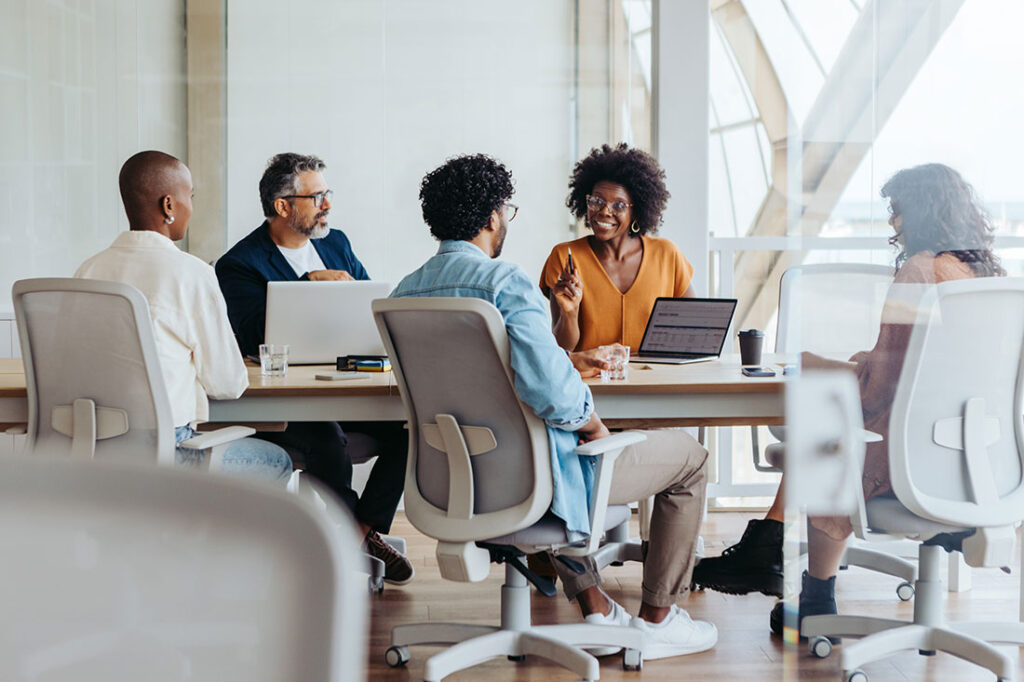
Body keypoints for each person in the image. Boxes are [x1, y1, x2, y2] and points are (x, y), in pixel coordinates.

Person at [392, 153, 716, 660]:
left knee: (573, 444)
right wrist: (595, 424)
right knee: (690, 459)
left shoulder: (403, 294)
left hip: (450, 483)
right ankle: (657, 619)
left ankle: (598, 608)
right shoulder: (504, 282)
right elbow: (553, 392)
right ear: (492, 217)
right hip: (532, 478)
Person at [691, 163, 1007, 635]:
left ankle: (814, 591)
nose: (893, 223)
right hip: (978, 464)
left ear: (920, 212)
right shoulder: (987, 278)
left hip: (912, 461)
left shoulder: (920, 272)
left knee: (823, 434)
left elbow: (881, 387)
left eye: (897, 212)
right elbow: (921, 375)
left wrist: (819, 364)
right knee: (825, 422)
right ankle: (768, 546)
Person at [215, 152, 412, 584]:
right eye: (316, 196)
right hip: (288, 401)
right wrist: (306, 286)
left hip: (349, 383)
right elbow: (250, 335)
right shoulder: (239, 264)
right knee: (329, 440)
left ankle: (356, 534)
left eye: (327, 194)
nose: (327, 205)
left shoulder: (335, 243)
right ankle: (358, 541)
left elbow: (369, 307)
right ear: (283, 205)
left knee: (411, 428)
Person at [75, 150, 292, 484]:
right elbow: (228, 383)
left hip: (97, 452)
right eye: (189, 196)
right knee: (278, 462)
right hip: (167, 453)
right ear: (169, 206)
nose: (191, 206)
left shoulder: (88, 270)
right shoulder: (190, 273)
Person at [540, 143, 695, 353]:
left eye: (619, 205)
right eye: (596, 201)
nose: (604, 211)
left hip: (655, 380)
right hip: (590, 384)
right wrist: (570, 314)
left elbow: (694, 329)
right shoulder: (566, 257)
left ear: (637, 210)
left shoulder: (667, 255)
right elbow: (561, 351)